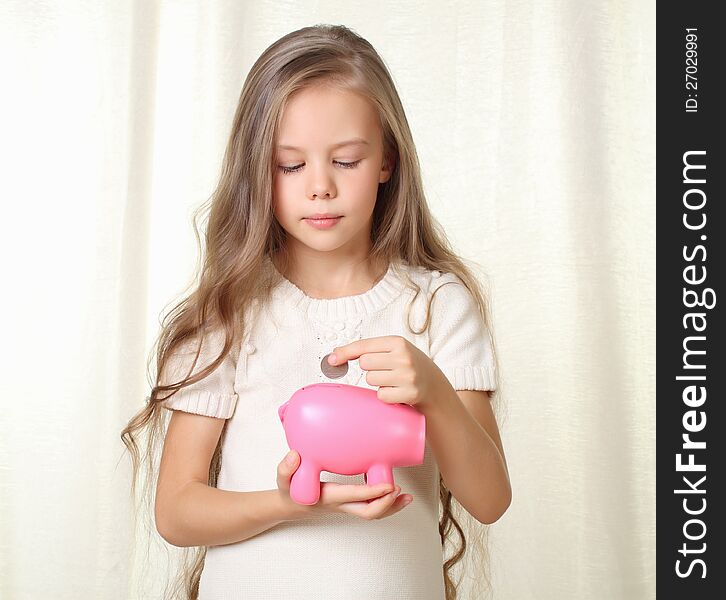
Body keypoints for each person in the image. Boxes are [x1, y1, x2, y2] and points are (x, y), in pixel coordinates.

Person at [122, 23, 511, 600]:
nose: (320, 187)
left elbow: (490, 499)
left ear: (387, 161)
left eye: (347, 161)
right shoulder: (229, 313)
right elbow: (176, 512)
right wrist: (289, 503)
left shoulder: (436, 306)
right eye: (291, 165)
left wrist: (432, 390)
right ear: (258, 171)